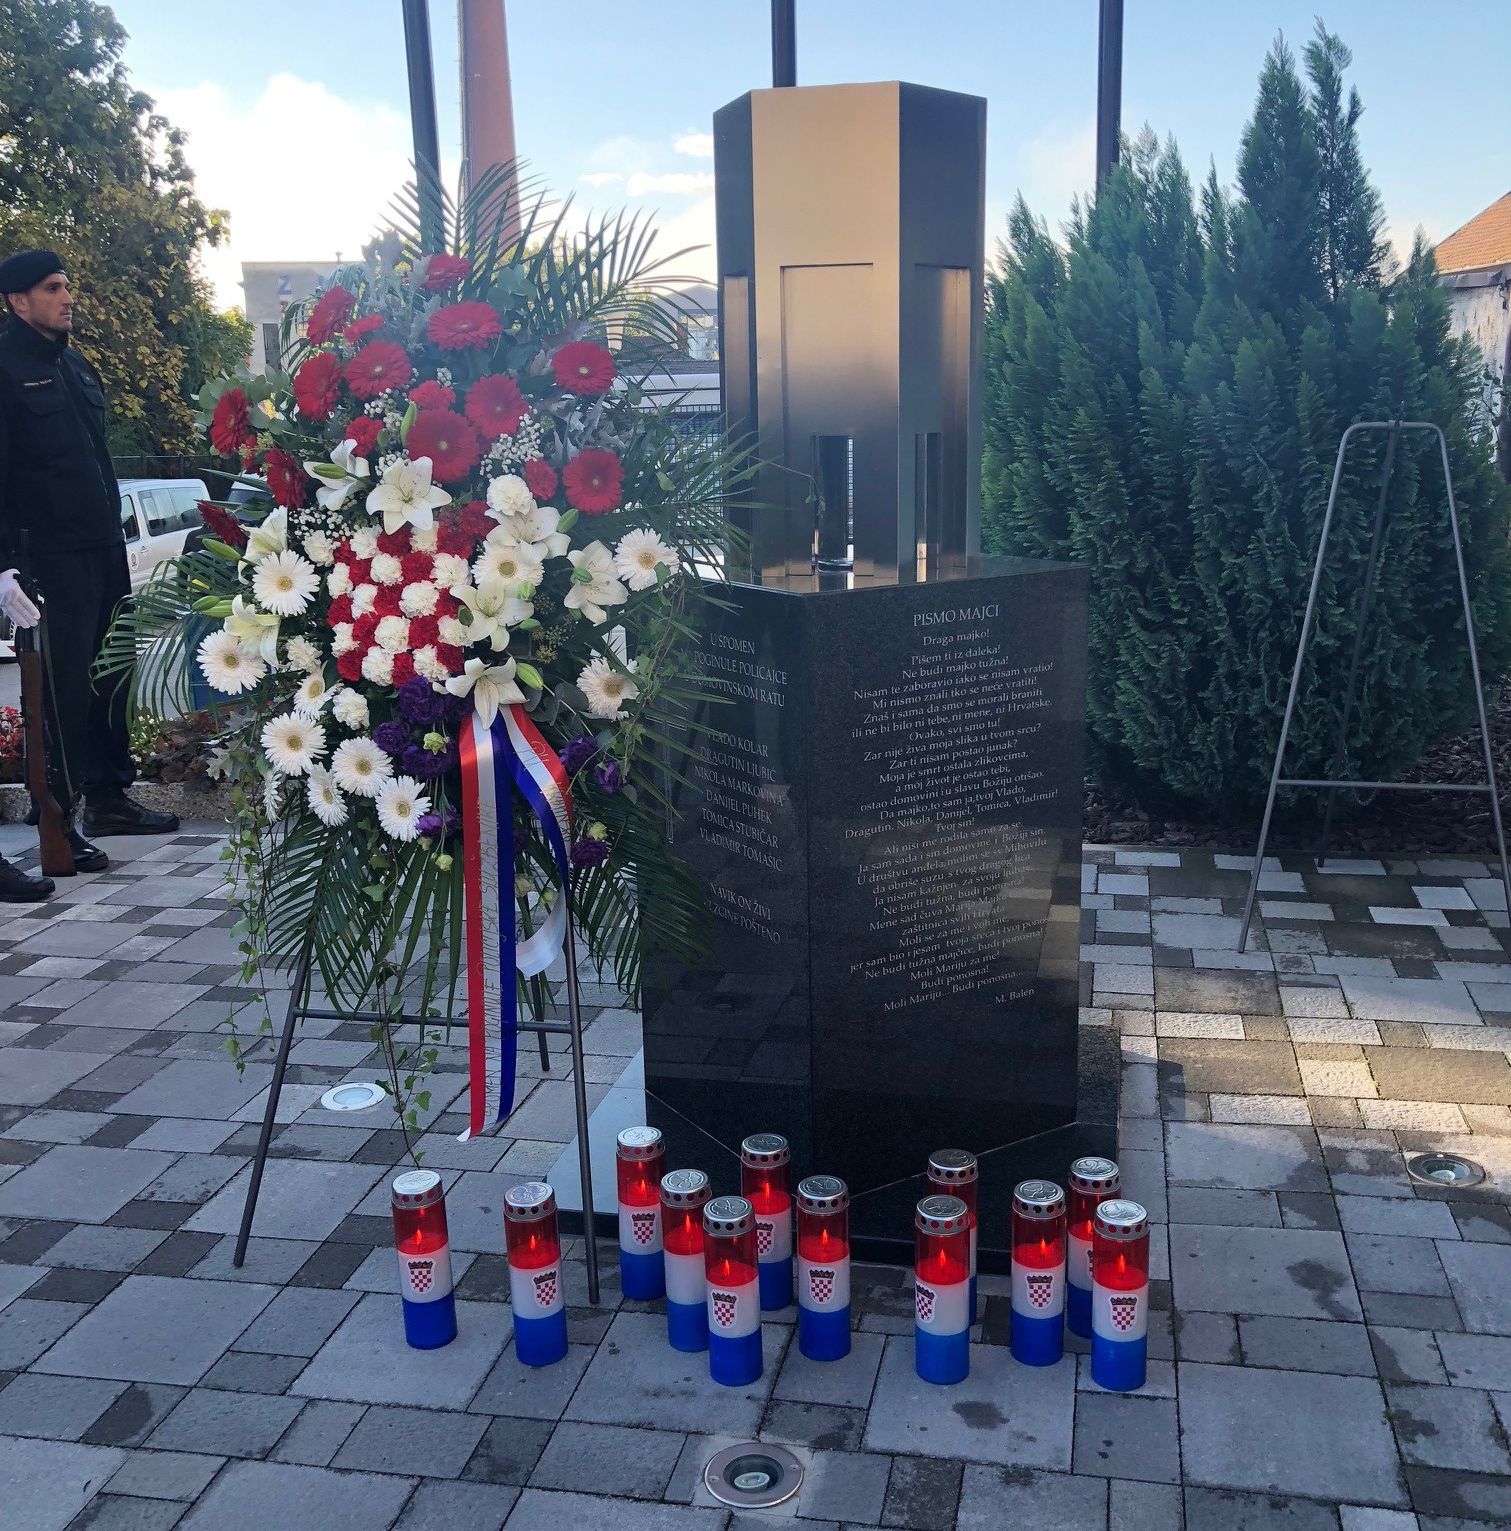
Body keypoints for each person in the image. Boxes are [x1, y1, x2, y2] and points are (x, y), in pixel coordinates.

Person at [0, 248, 177, 903]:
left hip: (102, 548)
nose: (67, 297)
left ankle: (109, 797)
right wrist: (4, 565)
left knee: (111, 677)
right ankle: (58, 816)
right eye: (53, 288)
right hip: (48, 558)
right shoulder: (5, 368)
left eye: (67, 285)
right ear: (19, 300)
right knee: (63, 690)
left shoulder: (73, 364)